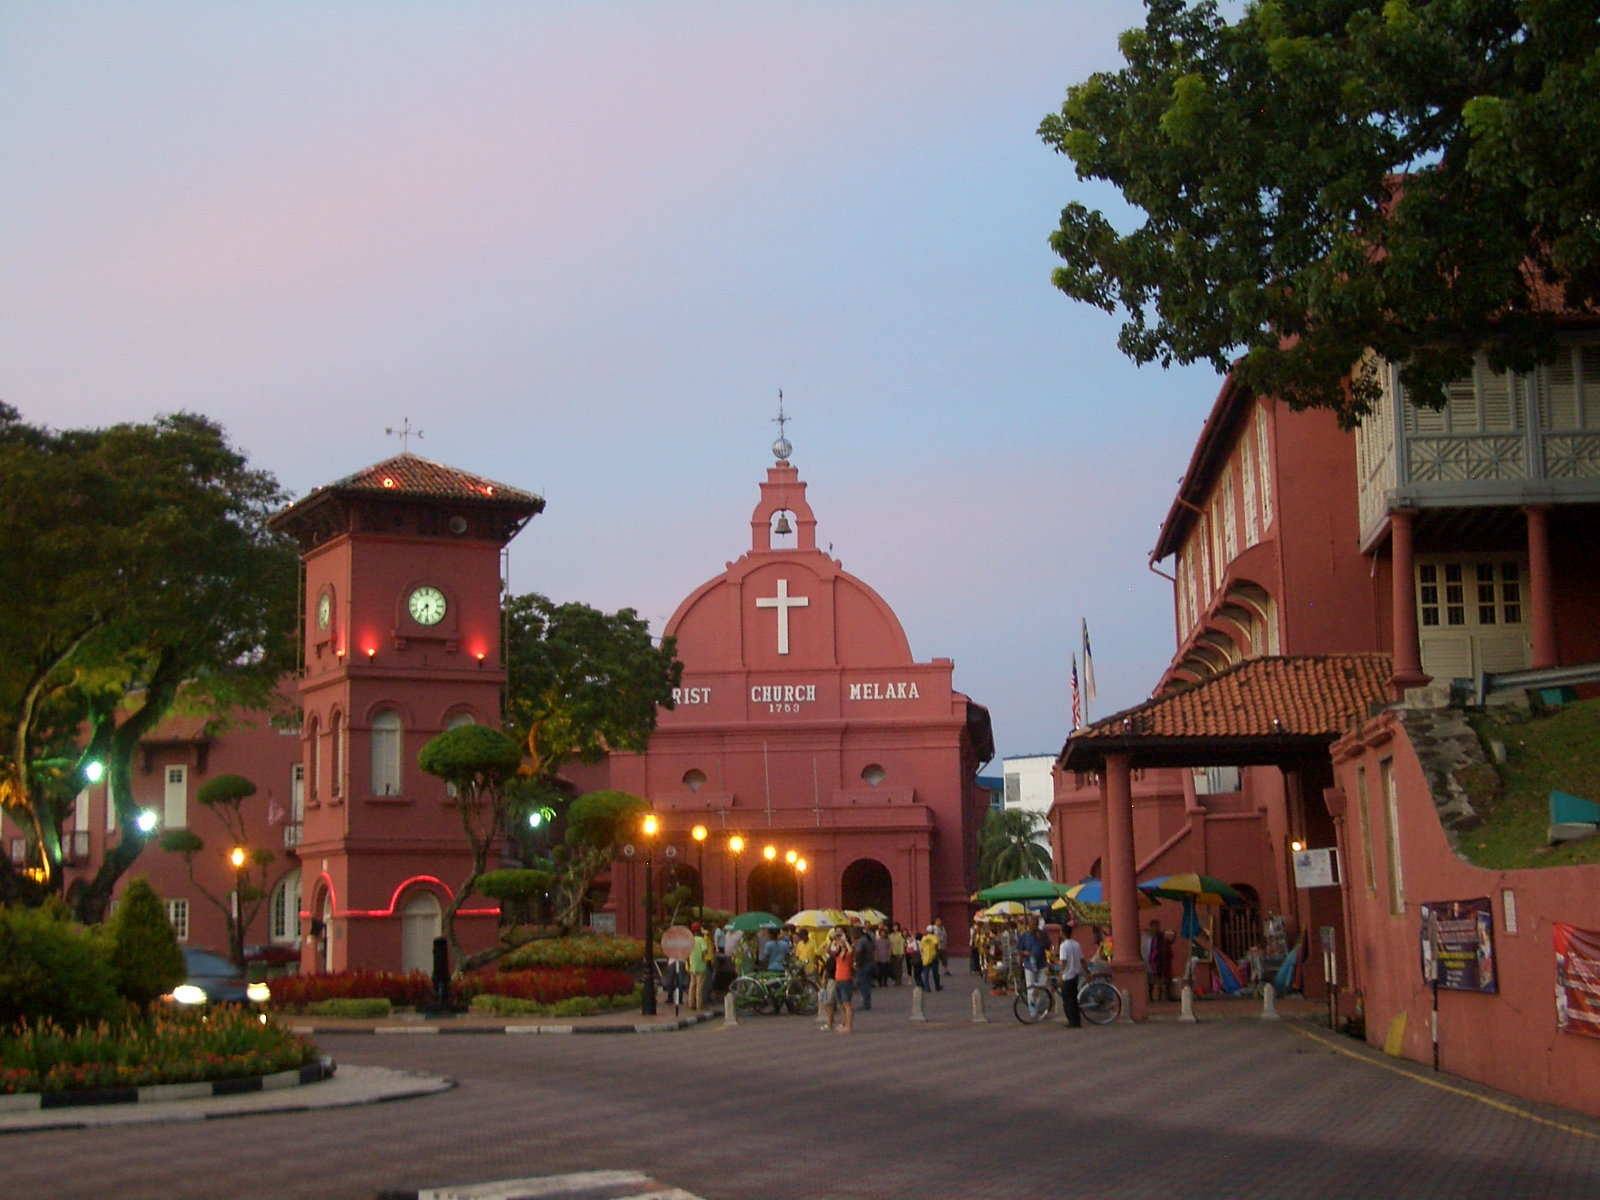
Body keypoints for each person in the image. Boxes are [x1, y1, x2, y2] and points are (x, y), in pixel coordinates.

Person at [1016, 917, 1051, 1017]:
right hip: (1029, 965)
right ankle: (1033, 1011)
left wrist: (1042, 939)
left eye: (1036, 924)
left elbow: (1048, 946)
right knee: (1030, 988)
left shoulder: (1042, 934)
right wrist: (1025, 953)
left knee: (1041, 986)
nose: (1034, 926)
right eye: (1032, 924)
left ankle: (1039, 1006)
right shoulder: (1024, 936)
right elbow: (1018, 950)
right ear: (1029, 924)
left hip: (1041, 964)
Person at [823, 930, 855, 1033]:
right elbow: (827, 950)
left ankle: (849, 1026)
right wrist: (832, 940)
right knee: (840, 1005)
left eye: (840, 940)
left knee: (847, 1004)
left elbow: (850, 950)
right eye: (838, 940)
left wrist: (845, 941)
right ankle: (844, 1023)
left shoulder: (848, 954)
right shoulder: (837, 954)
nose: (839, 941)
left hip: (846, 980)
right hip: (838, 980)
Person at [1056, 922, 1084, 1028]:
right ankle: (1076, 1020)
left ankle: (1071, 1021)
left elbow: (1063, 961)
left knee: (1067, 1000)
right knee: (1074, 999)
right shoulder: (1076, 944)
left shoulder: (1063, 946)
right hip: (1076, 973)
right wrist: (1087, 972)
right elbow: (1082, 959)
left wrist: (1060, 974)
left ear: (1062, 933)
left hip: (1067, 975)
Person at [853, 925, 876, 1011]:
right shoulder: (868, 939)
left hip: (864, 965)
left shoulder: (861, 941)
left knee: (864, 984)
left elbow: (858, 952)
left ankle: (866, 1003)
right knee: (866, 984)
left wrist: (857, 963)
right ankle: (867, 1002)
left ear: (858, 933)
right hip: (870, 963)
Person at [688, 922, 709, 1010]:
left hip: (692, 966)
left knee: (692, 986)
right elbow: (704, 951)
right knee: (699, 987)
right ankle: (699, 1005)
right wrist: (704, 957)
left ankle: (691, 1003)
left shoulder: (690, 940)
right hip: (701, 966)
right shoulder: (701, 940)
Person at [920, 925, 942, 991]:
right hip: (933, 957)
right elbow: (937, 946)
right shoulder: (934, 938)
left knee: (926, 974)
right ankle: (937, 986)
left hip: (926, 957)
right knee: (935, 973)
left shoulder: (923, 938)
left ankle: (927, 987)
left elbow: (921, 948)